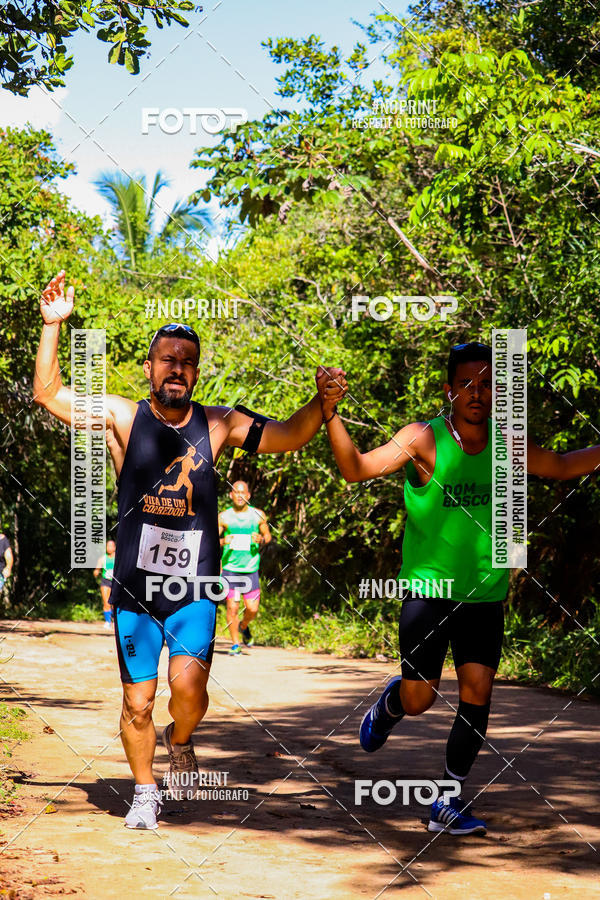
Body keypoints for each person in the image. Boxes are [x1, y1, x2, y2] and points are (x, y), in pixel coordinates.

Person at [33, 270, 346, 830]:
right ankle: (146, 791)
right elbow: (49, 394)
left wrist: (320, 404)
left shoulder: (220, 424)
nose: (176, 368)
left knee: (189, 691)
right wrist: (53, 327)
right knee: (136, 702)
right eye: (166, 359)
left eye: (187, 361)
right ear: (149, 368)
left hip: (194, 586)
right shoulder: (122, 416)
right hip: (134, 589)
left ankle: (181, 739)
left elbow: (290, 436)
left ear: (195, 373)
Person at [322, 341, 600, 835]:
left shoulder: (507, 440)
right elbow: (355, 469)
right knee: (419, 699)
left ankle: (446, 801)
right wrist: (330, 413)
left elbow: (559, 465)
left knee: (478, 693)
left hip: (485, 596)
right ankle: (391, 704)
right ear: (449, 391)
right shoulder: (423, 439)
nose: (479, 393)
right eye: (468, 384)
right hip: (429, 593)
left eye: (489, 384)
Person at [218, 480, 272, 655]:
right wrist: (222, 541)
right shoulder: (224, 517)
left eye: (243, 492)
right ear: (231, 495)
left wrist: (261, 540)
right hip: (230, 569)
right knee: (232, 607)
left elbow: (268, 537)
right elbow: (209, 540)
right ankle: (235, 645)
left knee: (252, 609)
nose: (239, 495)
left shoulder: (258, 515)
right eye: (236, 492)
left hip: (250, 569)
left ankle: (244, 626)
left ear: (248, 496)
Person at [94, 539, 116, 629]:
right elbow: (97, 569)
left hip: (115, 582)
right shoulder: (103, 558)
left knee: (114, 603)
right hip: (105, 581)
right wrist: (96, 572)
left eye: (111, 546)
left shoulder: (118, 558)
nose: (109, 548)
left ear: (114, 548)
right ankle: (107, 621)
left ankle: (115, 621)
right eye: (108, 546)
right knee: (106, 602)